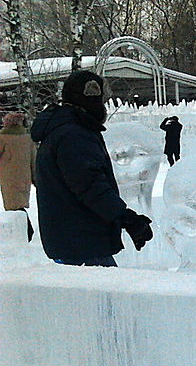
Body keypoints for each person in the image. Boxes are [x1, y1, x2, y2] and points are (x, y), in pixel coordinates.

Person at [31, 70, 153, 266]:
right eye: (101, 101)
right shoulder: (74, 135)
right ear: (91, 98)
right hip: (81, 242)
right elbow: (90, 187)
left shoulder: (64, 129)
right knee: (110, 295)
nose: (103, 106)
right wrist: (127, 218)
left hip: (72, 238)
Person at [0, 111, 36, 241]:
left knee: (13, 207)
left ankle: (26, 232)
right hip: (24, 178)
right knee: (18, 206)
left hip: (8, 177)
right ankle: (25, 232)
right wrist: (36, 179)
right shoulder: (27, 138)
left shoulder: (3, 138)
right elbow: (34, 160)